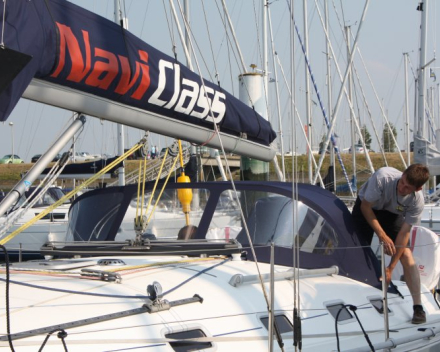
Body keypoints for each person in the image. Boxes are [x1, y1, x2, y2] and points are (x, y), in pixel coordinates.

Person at [352, 163, 430, 324]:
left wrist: (391, 268)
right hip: (367, 207)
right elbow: (366, 207)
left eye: (407, 188)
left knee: (406, 254)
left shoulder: (417, 201)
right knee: (358, 251)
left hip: (392, 214)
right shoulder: (383, 177)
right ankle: (355, 297)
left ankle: (418, 308)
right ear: (402, 175)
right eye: (402, 182)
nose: (402, 188)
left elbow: (404, 233)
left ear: (418, 189)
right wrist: (382, 235)